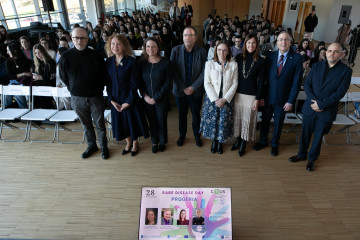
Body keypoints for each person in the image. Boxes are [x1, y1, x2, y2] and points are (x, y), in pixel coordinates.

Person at [289, 43, 352, 171]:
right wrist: (315, 103)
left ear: (341, 54)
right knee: (305, 133)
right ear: (326, 52)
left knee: (318, 136)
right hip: (311, 107)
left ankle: (312, 159)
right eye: (330, 51)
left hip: (326, 110)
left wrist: (321, 104)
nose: (332, 53)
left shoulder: (346, 71)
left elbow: (340, 93)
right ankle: (301, 154)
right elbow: (307, 85)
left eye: (335, 51)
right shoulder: (316, 66)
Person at [59, 27, 109, 160]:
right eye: (76, 38)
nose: (79, 41)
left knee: (100, 125)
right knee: (86, 126)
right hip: (77, 98)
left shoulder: (96, 56)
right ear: (71, 38)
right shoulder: (66, 57)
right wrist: (74, 88)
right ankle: (92, 146)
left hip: (95, 97)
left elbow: (104, 76)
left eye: (83, 38)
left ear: (87, 39)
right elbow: (63, 77)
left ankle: (104, 147)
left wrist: (96, 89)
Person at [253, 31, 302, 156]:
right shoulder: (270, 56)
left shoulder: (297, 58)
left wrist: (291, 100)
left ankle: (275, 144)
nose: (283, 42)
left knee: (278, 123)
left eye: (286, 39)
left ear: (290, 42)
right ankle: (263, 141)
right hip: (268, 97)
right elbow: (263, 79)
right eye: (280, 39)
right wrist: (262, 96)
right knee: (264, 121)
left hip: (284, 99)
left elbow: (296, 82)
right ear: (276, 42)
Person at [105, 34, 149, 156]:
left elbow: (134, 85)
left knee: (131, 123)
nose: (115, 46)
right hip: (115, 99)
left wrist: (128, 102)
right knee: (122, 124)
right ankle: (128, 142)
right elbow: (108, 83)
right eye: (113, 44)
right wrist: (111, 100)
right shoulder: (108, 62)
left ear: (124, 46)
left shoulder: (131, 62)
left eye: (118, 44)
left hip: (130, 99)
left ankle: (135, 143)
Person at [170, 26, 207, 147]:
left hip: (195, 91)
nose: (187, 38)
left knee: (196, 114)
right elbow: (173, 71)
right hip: (180, 91)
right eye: (185, 35)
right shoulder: (175, 50)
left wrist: (193, 87)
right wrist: (182, 87)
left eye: (190, 35)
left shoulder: (202, 51)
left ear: (195, 38)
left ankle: (197, 136)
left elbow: (204, 72)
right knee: (182, 115)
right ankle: (182, 135)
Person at [200, 40, 238, 154]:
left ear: (228, 52)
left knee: (223, 121)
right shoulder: (209, 63)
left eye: (224, 50)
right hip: (212, 98)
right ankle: (214, 142)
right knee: (213, 121)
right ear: (216, 51)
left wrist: (225, 99)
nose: (221, 52)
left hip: (226, 98)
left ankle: (220, 142)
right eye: (219, 50)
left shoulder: (233, 64)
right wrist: (216, 99)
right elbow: (207, 83)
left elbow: (235, 83)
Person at [231, 34, 265, 157]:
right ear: (244, 44)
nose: (251, 45)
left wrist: (258, 98)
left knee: (247, 120)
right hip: (237, 94)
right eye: (248, 43)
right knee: (238, 119)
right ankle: (238, 140)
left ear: (257, 45)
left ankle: (243, 143)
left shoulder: (261, 60)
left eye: (253, 43)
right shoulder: (239, 57)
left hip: (251, 96)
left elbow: (261, 82)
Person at [139, 38, 171, 153]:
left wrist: (156, 97)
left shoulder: (165, 62)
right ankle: (154, 141)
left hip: (161, 98)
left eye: (153, 46)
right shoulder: (142, 62)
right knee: (151, 121)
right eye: (148, 47)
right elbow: (139, 82)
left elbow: (168, 83)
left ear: (158, 48)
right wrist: (145, 96)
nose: (150, 49)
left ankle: (162, 141)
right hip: (147, 98)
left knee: (161, 120)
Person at [4, 43, 32, 108]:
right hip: (12, 82)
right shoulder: (8, 62)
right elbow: (10, 76)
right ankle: (7, 109)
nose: (7, 53)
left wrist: (19, 75)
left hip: (24, 82)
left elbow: (29, 74)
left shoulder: (26, 61)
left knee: (17, 92)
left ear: (14, 51)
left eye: (8, 50)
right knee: (6, 93)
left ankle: (23, 108)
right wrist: (23, 74)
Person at [32, 44, 57, 109]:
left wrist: (42, 77)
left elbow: (53, 76)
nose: (38, 55)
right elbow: (34, 73)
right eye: (36, 53)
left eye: (39, 52)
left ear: (43, 52)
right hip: (39, 84)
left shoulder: (50, 62)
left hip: (49, 84)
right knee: (34, 91)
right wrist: (35, 77)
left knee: (42, 92)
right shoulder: (36, 63)